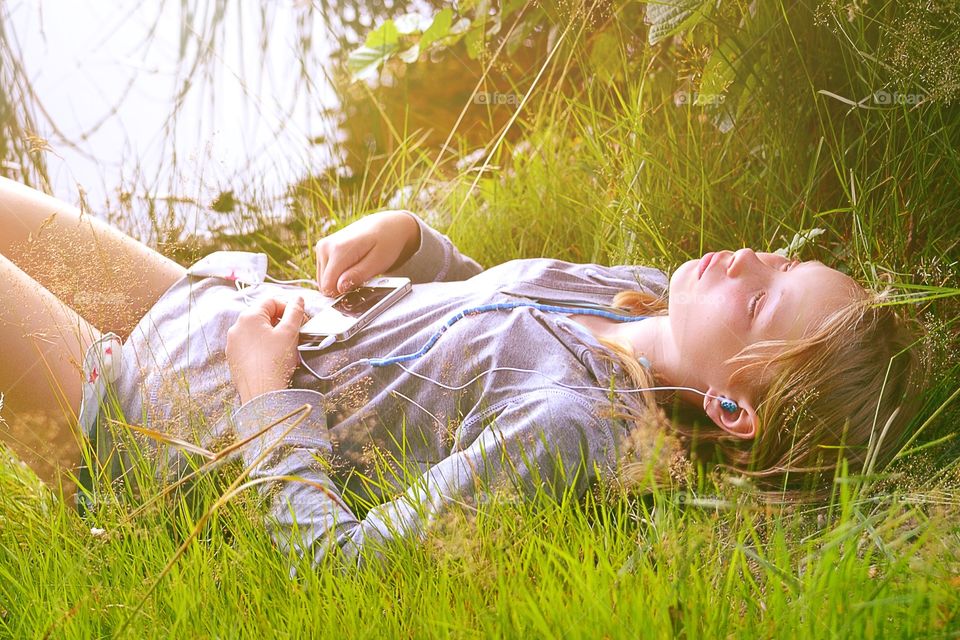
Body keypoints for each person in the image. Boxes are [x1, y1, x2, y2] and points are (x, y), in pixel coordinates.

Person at [0, 177, 925, 572]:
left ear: (730, 409)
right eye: (781, 260)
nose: (750, 259)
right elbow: (486, 320)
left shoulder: (570, 431)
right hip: (203, 307)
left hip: (158, 424)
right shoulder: (647, 300)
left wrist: (264, 392)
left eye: (763, 301)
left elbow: (339, 566)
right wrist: (415, 238)